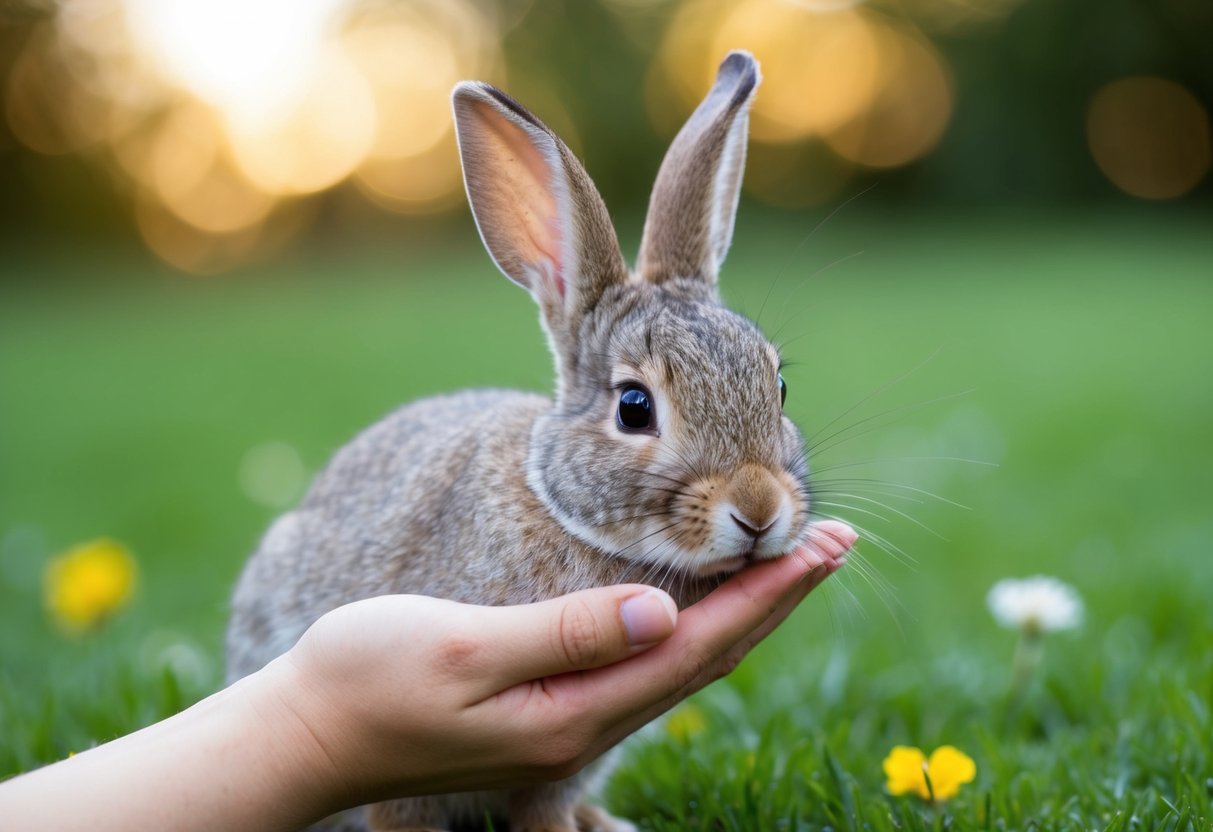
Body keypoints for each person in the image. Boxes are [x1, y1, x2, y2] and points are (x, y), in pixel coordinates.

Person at [0, 521, 855, 831]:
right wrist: (322, 740)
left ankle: (542, 807)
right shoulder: (506, 522)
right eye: (637, 411)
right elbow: (398, 650)